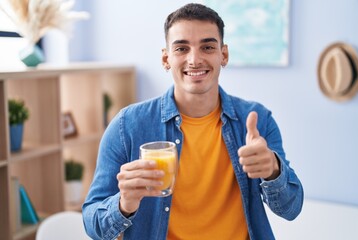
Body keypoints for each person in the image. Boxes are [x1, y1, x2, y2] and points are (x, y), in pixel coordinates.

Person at [82, 3, 303, 240]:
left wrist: (272, 169)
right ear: (166, 58)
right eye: (181, 49)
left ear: (223, 54)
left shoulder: (258, 120)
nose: (194, 59)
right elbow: (92, 224)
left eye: (207, 47)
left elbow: (291, 209)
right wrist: (124, 203)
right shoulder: (127, 125)